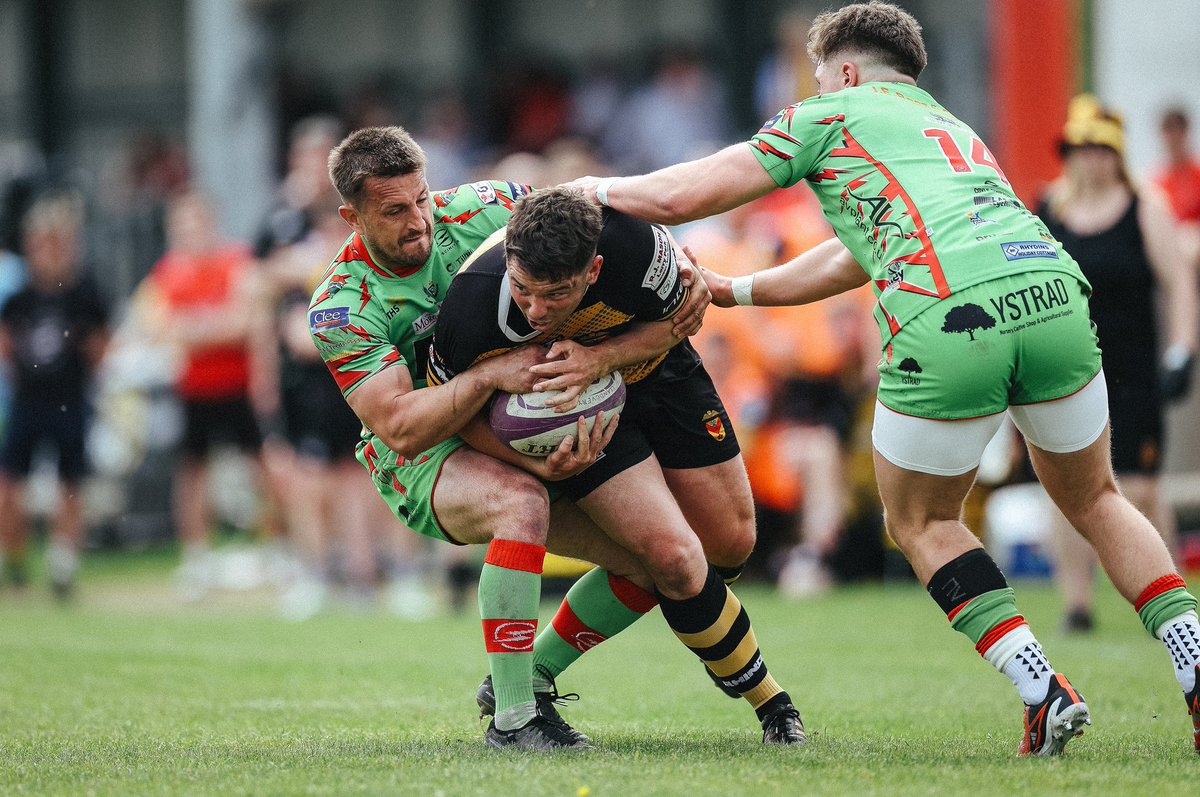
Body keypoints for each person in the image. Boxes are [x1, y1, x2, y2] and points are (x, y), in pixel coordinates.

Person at [570, 0, 1200, 757]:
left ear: (841, 70)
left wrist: (592, 189)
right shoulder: (951, 129)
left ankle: (1041, 686)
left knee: (922, 521)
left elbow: (683, 196)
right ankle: (1193, 660)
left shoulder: (828, 114)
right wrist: (737, 289)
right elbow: (855, 252)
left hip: (950, 317)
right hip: (1052, 296)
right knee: (1098, 497)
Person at [311, 126, 706, 751]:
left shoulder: (482, 208)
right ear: (350, 216)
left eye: (421, 199)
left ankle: (527, 677)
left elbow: (583, 217)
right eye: (394, 211)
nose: (419, 221)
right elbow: (401, 428)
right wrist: (489, 375)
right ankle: (515, 723)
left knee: (660, 565)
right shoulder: (342, 305)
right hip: (425, 456)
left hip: (523, 420)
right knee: (519, 505)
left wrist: (673, 256)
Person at [428, 186, 805, 745]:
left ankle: (534, 670)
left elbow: (682, 318)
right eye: (525, 290)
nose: (535, 310)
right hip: (583, 422)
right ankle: (773, 704)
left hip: (661, 373)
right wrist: (535, 462)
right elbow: (452, 412)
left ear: (594, 269)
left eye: (556, 295)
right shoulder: (472, 305)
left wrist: (598, 359)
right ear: (508, 259)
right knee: (673, 558)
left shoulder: (637, 247)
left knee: (730, 546)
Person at [1038, 95, 1198, 633]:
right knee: (1066, 489)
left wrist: (1181, 351)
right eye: (1082, 148)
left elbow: (1179, 285)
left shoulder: (1144, 206)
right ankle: (1077, 606)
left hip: (1131, 369)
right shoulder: (1049, 208)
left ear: (1117, 153)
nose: (1091, 159)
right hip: (1065, 370)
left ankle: (1172, 604)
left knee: (1140, 487)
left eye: (1101, 148)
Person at [134, 191, 267, 601]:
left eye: (196, 221)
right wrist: (210, 326)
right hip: (193, 389)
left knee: (263, 468)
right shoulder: (166, 273)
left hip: (239, 385)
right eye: (182, 224)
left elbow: (242, 323)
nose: (189, 231)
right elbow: (153, 327)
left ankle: (278, 548)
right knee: (192, 474)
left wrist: (190, 328)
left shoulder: (237, 261)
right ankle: (197, 556)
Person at [0, 191, 109, 597]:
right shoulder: (20, 297)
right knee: (11, 485)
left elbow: (100, 347)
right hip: (28, 401)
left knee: (70, 484)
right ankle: (16, 564)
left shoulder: (84, 292)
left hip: (70, 400)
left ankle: (63, 563)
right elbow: (7, 346)